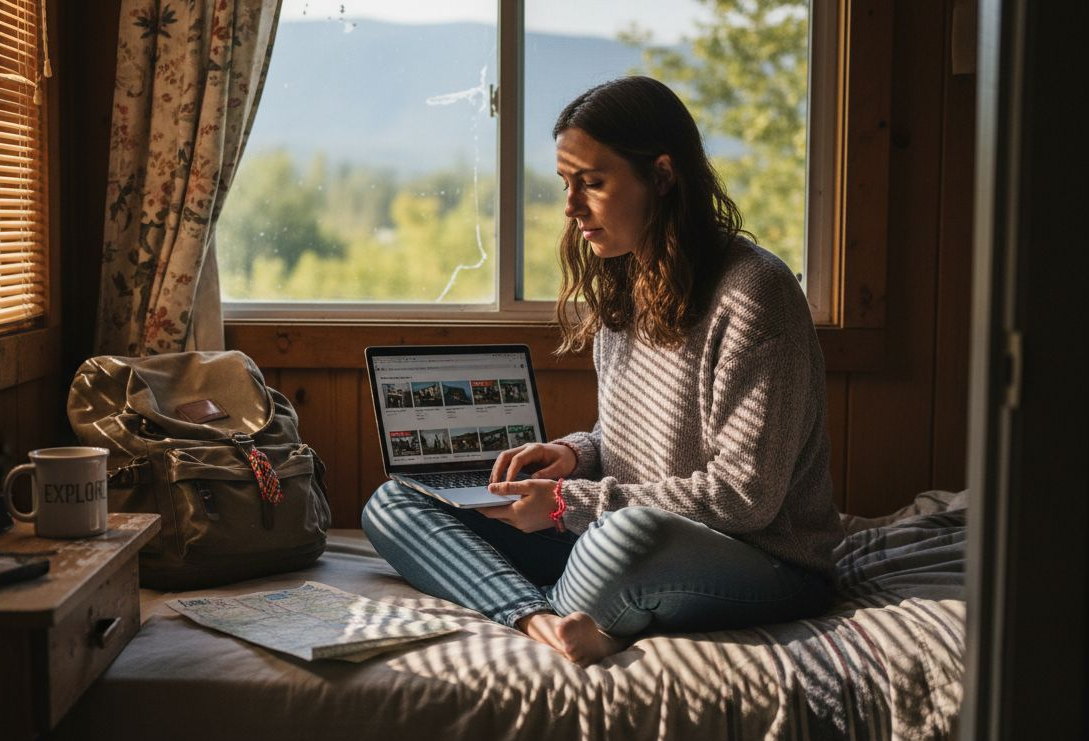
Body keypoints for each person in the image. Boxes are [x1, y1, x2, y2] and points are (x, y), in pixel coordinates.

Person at [361, 76, 844, 665]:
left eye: (591, 183)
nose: (570, 207)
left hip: (762, 559)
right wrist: (572, 455)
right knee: (396, 502)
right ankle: (537, 614)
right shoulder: (621, 281)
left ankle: (527, 598)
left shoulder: (754, 292)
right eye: (567, 183)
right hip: (618, 534)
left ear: (662, 176)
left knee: (629, 538)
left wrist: (566, 505)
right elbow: (634, 444)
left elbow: (744, 497)